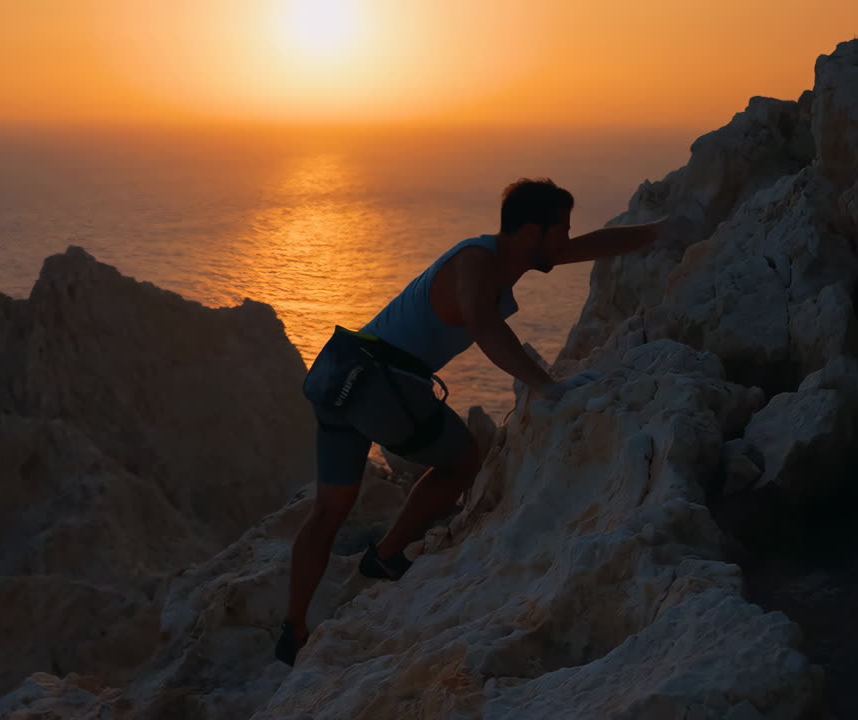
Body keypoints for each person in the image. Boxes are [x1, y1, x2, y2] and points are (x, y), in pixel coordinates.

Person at [275, 177, 664, 666]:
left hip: (338, 374)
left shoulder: (504, 254)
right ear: (531, 233)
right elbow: (484, 325)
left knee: (328, 513)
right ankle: (386, 555)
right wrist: (548, 386)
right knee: (462, 461)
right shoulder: (477, 263)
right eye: (561, 229)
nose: (567, 239)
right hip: (379, 381)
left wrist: (657, 231)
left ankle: (292, 630)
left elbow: (587, 247)